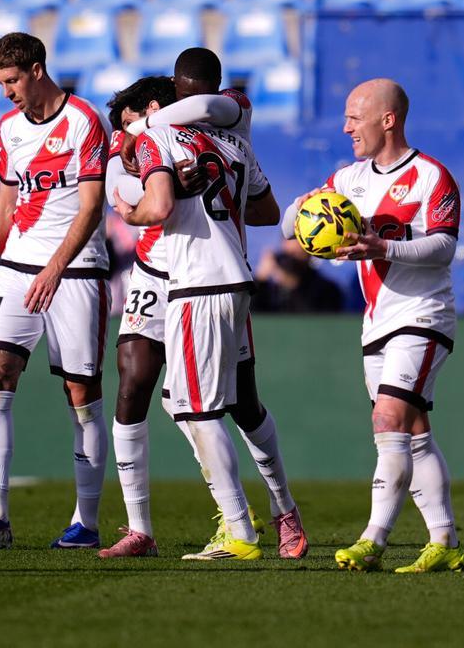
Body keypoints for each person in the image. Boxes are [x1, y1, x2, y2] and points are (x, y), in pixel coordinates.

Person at [102, 51, 306, 560]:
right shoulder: (233, 142)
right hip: (204, 278)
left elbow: (153, 204)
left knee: (211, 406)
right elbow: (266, 209)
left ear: (164, 99)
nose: (123, 133)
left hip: (197, 282)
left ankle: (245, 525)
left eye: (129, 122)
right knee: (167, 395)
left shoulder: (161, 135)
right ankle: (157, 526)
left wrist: (138, 206)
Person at [283, 78, 464, 574]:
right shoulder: (348, 180)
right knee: (414, 431)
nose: (346, 128)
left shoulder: (431, 176)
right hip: (376, 321)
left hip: (423, 315)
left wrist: (384, 247)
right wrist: (302, 208)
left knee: (387, 420)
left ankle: (373, 540)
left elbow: (444, 246)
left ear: (388, 120)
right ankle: (445, 542)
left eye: (353, 117)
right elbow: (288, 227)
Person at [0, 33, 111, 550]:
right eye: (1, 83)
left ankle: (86, 522)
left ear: (37, 70)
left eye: (13, 80)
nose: (7, 92)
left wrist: (55, 269)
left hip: (75, 270)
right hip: (17, 269)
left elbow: (91, 205)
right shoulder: (9, 128)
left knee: (81, 394)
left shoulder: (84, 120)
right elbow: (5, 204)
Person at [253, 239, 345, 313]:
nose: (291, 262)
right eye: (288, 255)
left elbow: (313, 320)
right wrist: (260, 281)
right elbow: (252, 314)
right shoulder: (270, 287)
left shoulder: (327, 290)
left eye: (297, 254)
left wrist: (292, 283)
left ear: (310, 253)